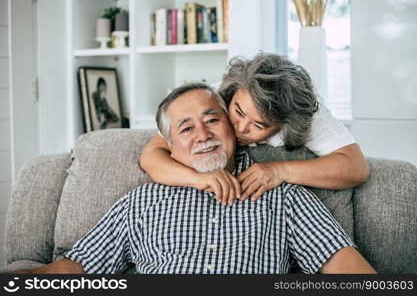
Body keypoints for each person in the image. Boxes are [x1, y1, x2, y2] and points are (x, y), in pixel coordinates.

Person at [13, 83, 375, 274]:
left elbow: (344, 265)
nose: (202, 135)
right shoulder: (144, 201)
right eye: (186, 128)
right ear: (169, 145)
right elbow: (77, 265)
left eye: (212, 120)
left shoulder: (283, 196)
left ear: (233, 128)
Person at [139, 53, 369, 205]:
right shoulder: (211, 98)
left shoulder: (311, 117)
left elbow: (356, 167)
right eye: (238, 112)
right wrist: (198, 179)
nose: (240, 127)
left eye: (259, 125)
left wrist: (281, 171)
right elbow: (152, 155)